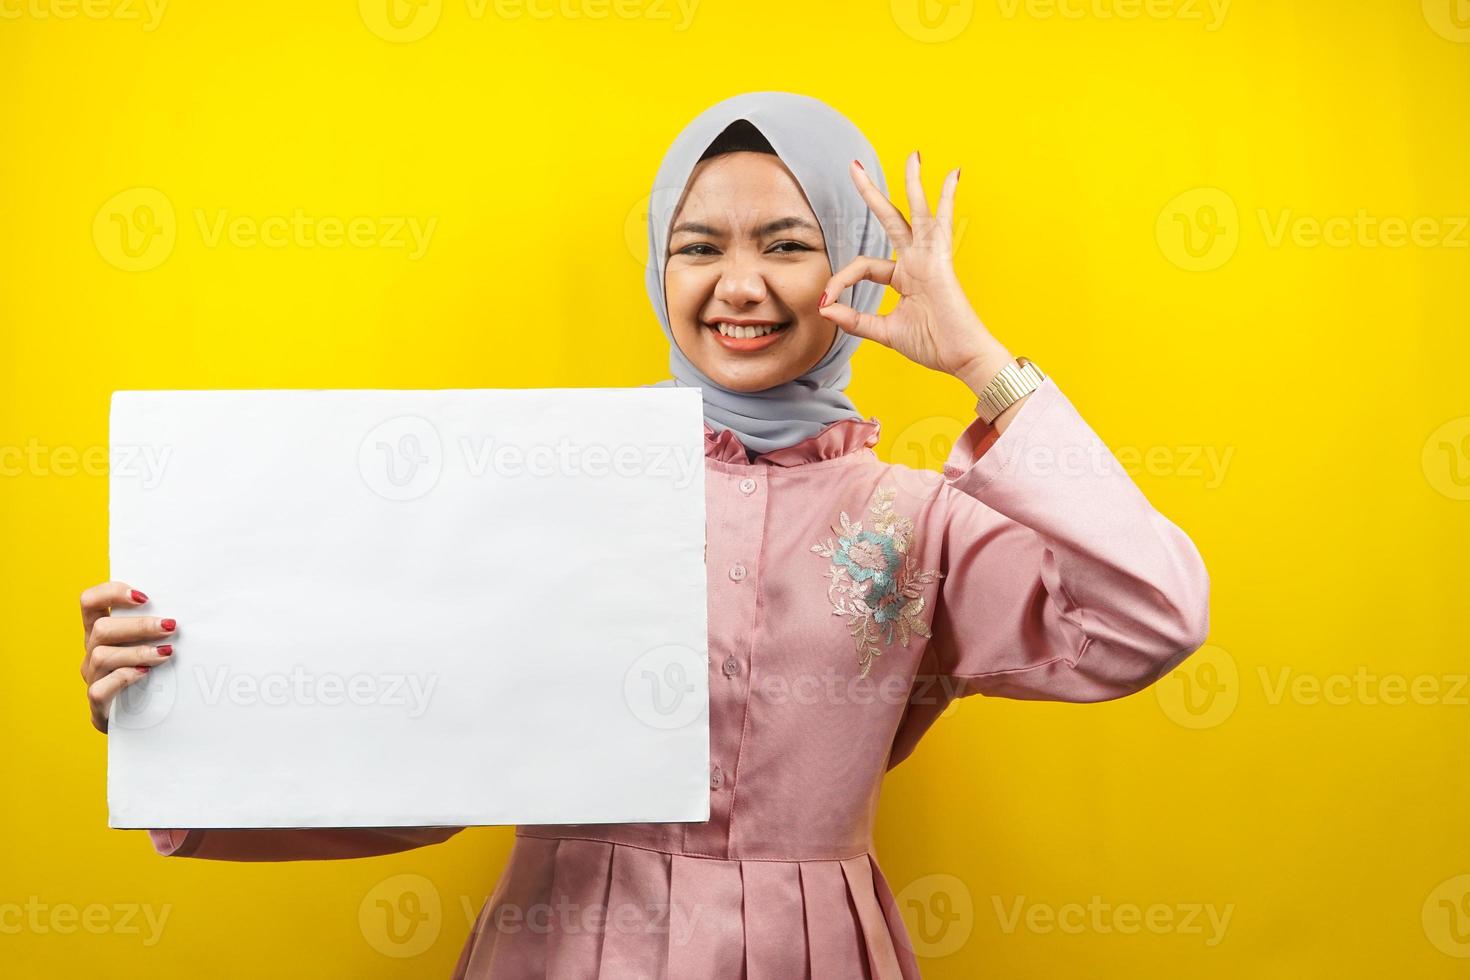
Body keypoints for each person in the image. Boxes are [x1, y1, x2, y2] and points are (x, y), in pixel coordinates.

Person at [76, 91, 1210, 978]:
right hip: (563, 946)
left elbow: (1152, 613)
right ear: (659, 265)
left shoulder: (918, 518)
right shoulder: (556, 484)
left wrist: (983, 366)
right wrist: (176, 711)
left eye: (787, 241)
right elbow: (412, 746)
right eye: (698, 246)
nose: (741, 285)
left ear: (853, 260)